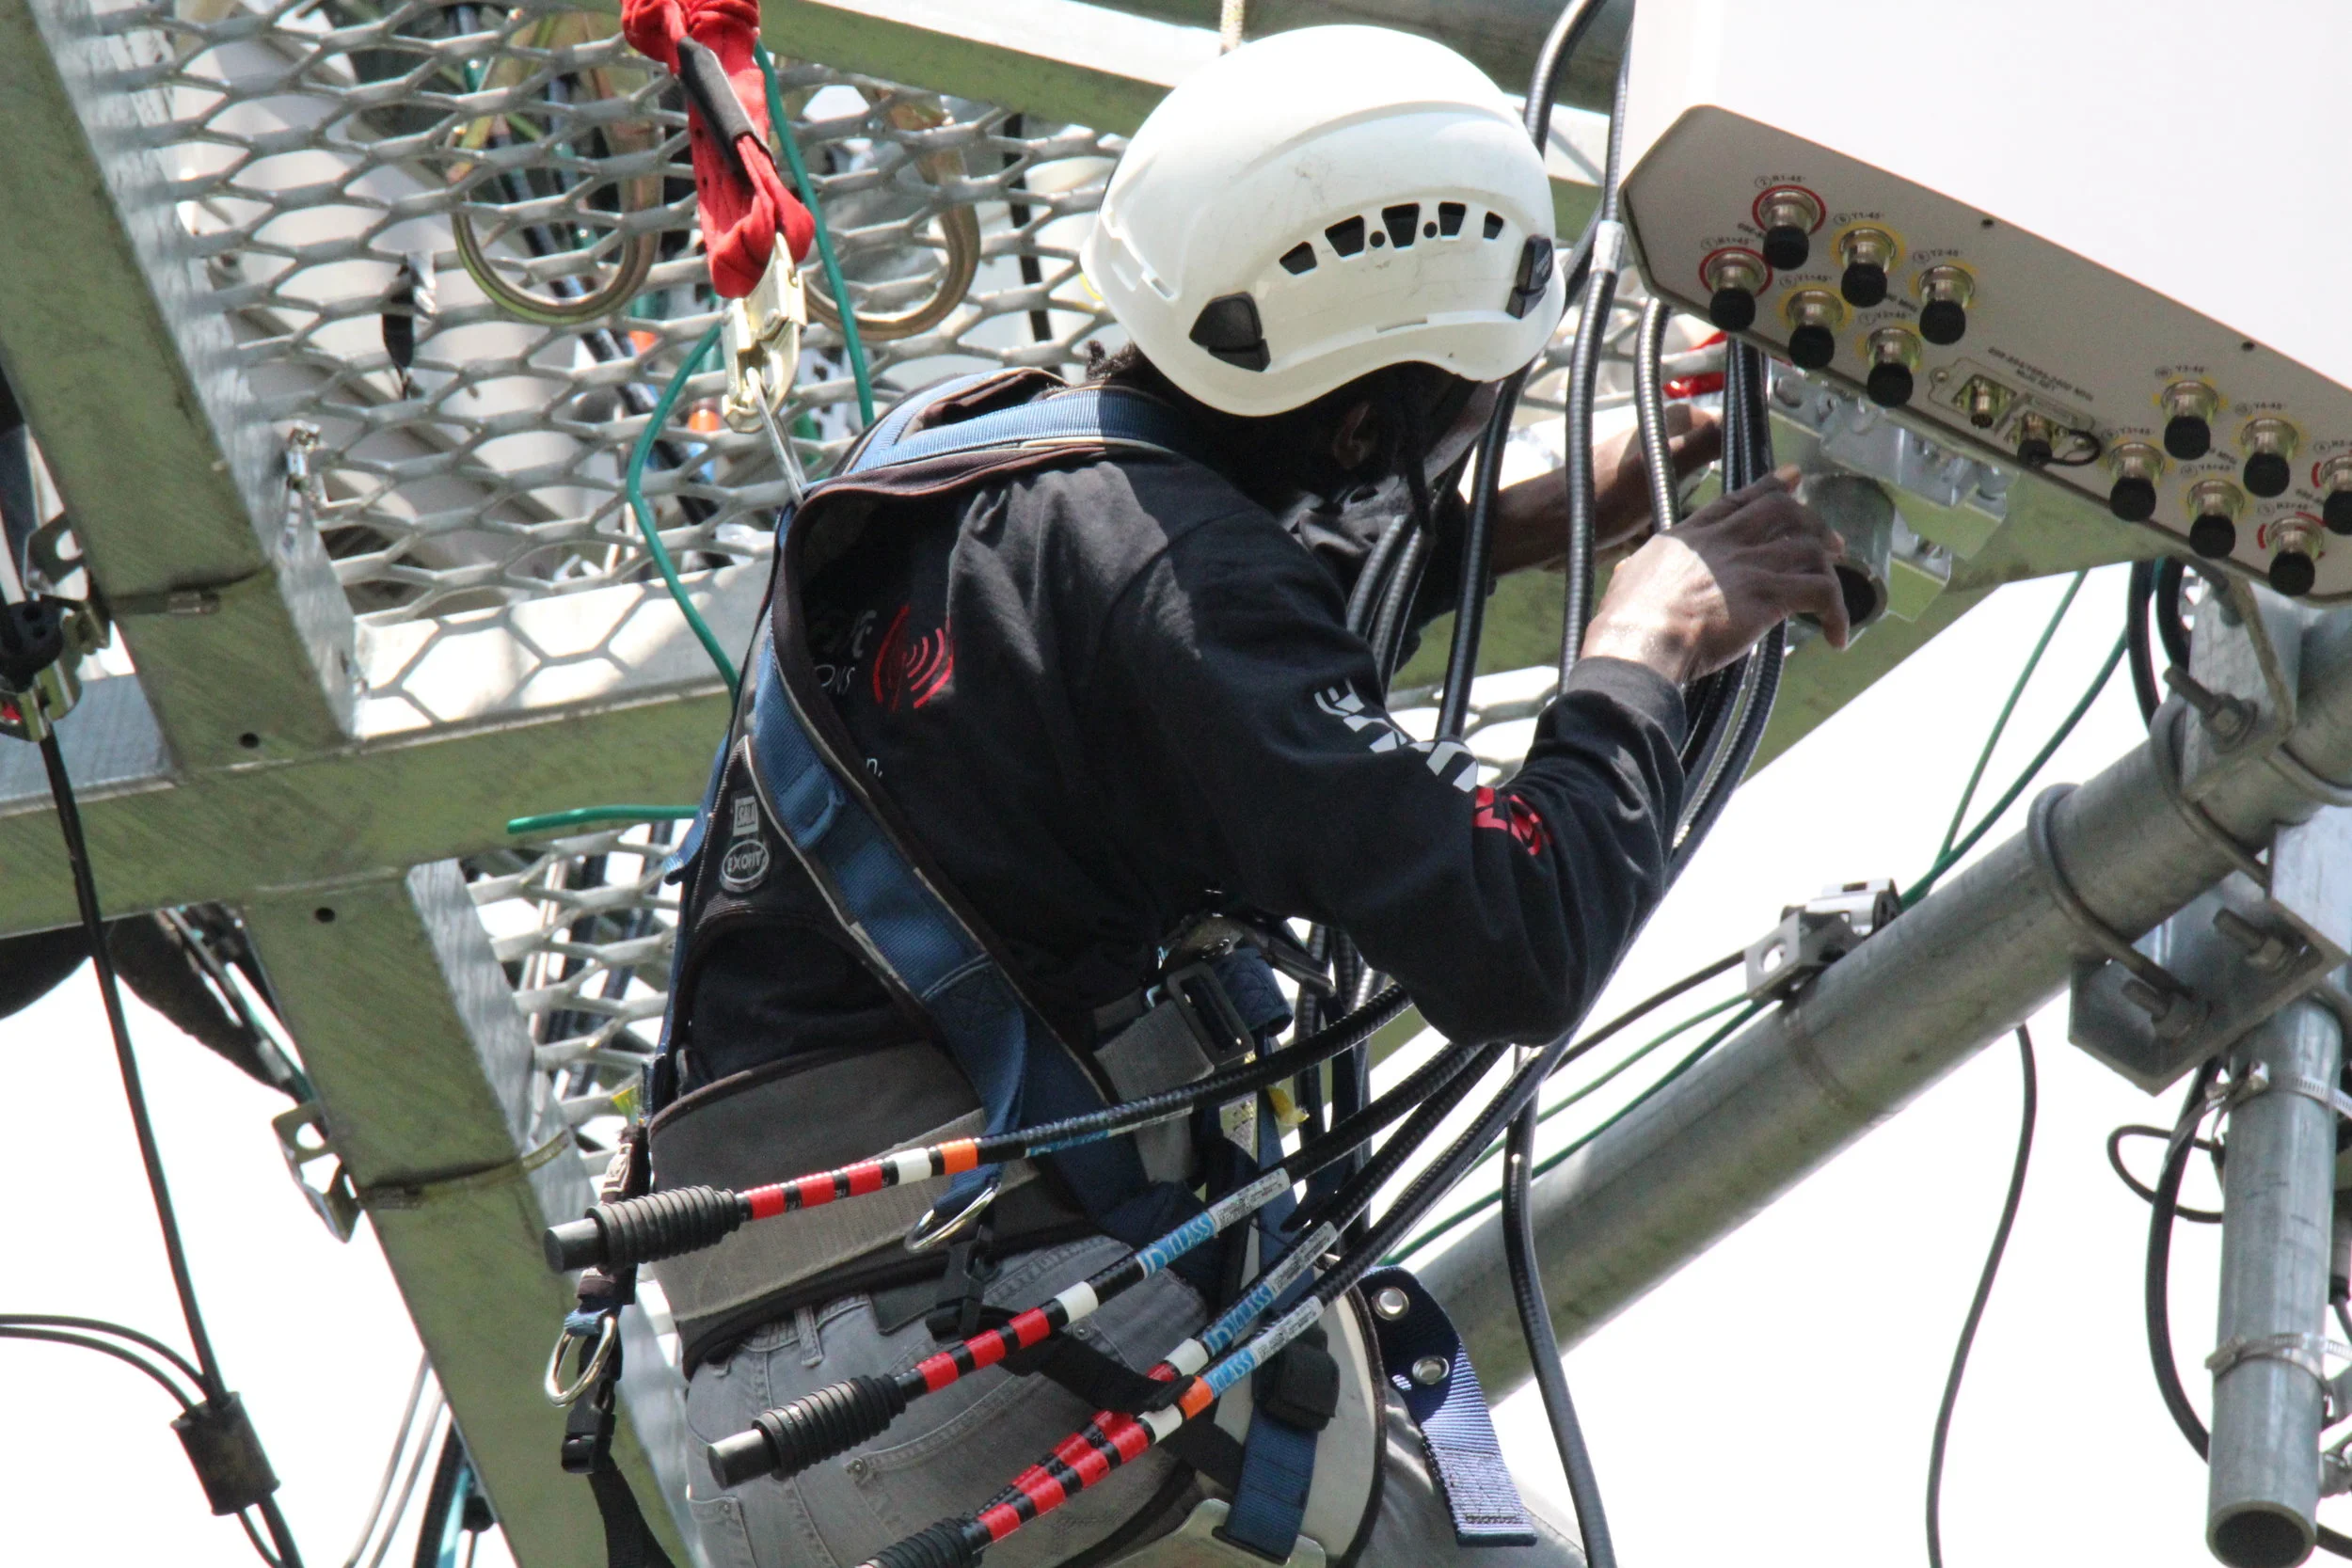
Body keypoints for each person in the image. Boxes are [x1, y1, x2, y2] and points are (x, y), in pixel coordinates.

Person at [645, 25, 1846, 1568]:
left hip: (773, 1423)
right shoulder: (1187, 584)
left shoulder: (969, 464)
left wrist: (1560, 512)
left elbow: (1215, 661)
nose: (1472, 425)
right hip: (987, 1380)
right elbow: (1518, 935)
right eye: (1462, 401)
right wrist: (1643, 642)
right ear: (1360, 426)